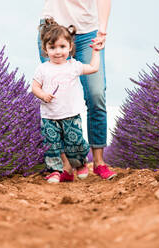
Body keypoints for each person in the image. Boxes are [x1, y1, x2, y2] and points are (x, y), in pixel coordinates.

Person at [37, 0, 117, 180]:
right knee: (55, 98)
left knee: (96, 94)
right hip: (52, 28)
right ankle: (65, 166)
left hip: (88, 32)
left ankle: (99, 162)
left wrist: (102, 30)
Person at [32, 18, 101, 183]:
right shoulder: (43, 68)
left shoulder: (73, 66)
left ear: (70, 47)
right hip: (49, 115)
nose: (57, 51)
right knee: (52, 145)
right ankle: (55, 171)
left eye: (62, 47)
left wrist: (96, 52)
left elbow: (93, 68)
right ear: (45, 49)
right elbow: (34, 87)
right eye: (52, 47)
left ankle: (80, 164)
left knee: (75, 141)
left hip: (70, 113)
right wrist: (42, 95)